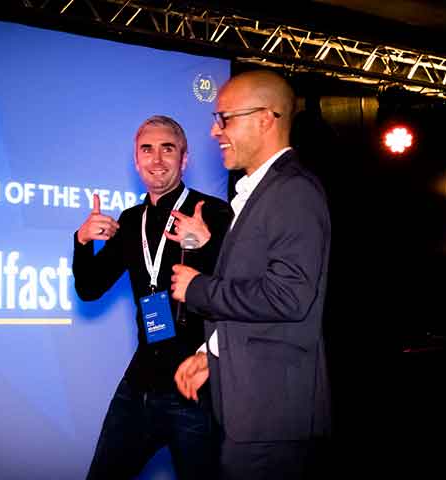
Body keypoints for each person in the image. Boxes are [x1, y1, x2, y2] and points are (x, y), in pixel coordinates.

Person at [171, 70, 332, 479]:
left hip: (271, 414)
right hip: (253, 408)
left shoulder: (293, 191)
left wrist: (197, 289)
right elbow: (256, 294)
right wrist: (211, 355)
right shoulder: (263, 192)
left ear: (264, 119)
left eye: (224, 118)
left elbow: (287, 297)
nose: (214, 131)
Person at [73, 115, 233, 479]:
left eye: (167, 149)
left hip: (195, 385)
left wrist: (207, 245)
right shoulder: (132, 221)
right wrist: (82, 242)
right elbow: (89, 287)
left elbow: (239, 289)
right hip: (140, 382)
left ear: (184, 159)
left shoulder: (213, 213)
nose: (157, 159)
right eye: (147, 150)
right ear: (136, 160)